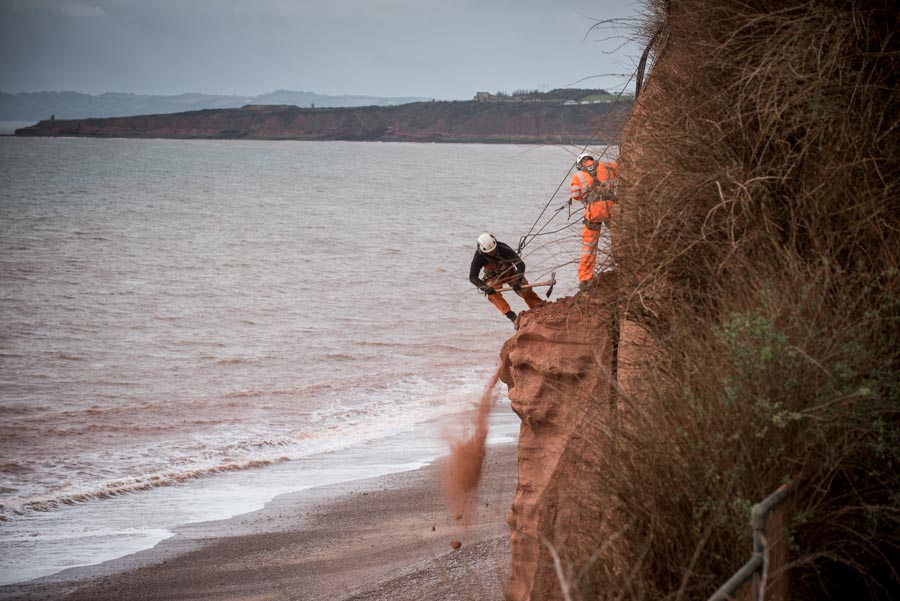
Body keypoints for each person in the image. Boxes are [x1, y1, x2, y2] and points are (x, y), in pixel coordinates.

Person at [469, 233, 544, 324]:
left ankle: (539, 308)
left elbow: (520, 265)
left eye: (494, 250)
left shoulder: (503, 248)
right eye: (490, 252)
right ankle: (512, 316)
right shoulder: (478, 257)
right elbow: (472, 277)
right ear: (484, 251)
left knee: (525, 290)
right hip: (494, 277)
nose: (493, 253)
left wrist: (517, 281)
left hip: (510, 272)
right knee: (492, 294)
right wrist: (485, 287)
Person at [569, 152, 618, 290]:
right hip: (611, 207)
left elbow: (575, 196)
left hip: (593, 210)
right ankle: (623, 266)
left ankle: (585, 280)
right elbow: (625, 169)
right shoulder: (608, 166)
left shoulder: (577, 176)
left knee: (589, 246)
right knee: (619, 237)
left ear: (580, 164)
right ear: (591, 159)